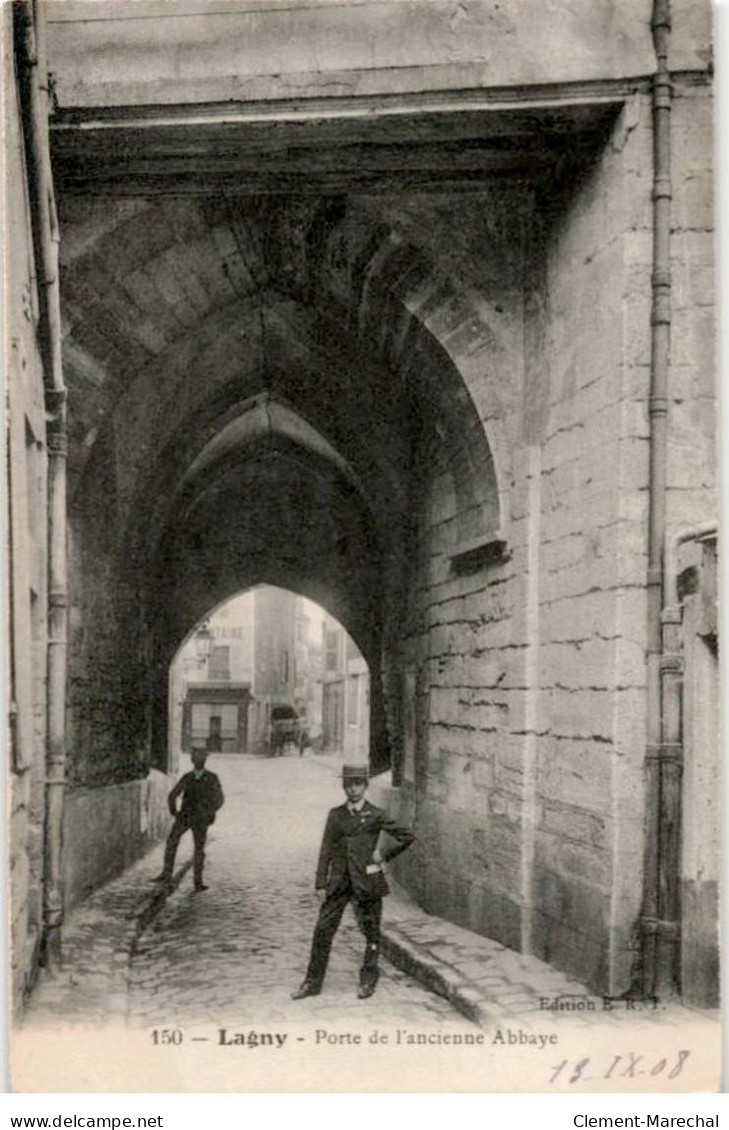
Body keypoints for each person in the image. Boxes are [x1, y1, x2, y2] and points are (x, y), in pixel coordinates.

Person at [291, 764, 415, 1000]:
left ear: (365, 786)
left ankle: (368, 979)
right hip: (339, 881)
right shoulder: (335, 815)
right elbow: (326, 848)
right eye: (349, 784)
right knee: (323, 931)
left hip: (367, 880)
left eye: (358, 784)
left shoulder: (376, 814)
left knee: (371, 932)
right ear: (344, 787)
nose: (353, 789)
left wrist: (383, 856)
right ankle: (312, 982)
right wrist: (320, 882)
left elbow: (406, 836)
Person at [156, 749, 225, 892]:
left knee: (198, 850)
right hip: (186, 816)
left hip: (200, 819)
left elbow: (219, 799)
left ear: (204, 761)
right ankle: (166, 874)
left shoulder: (212, 778)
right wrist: (175, 812)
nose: (199, 761)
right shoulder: (187, 777)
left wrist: (209, 812)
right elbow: (173, 795)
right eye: (196, 758)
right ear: (193, 761)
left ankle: (198, 882)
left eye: (201, 758)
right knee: (172, 842)